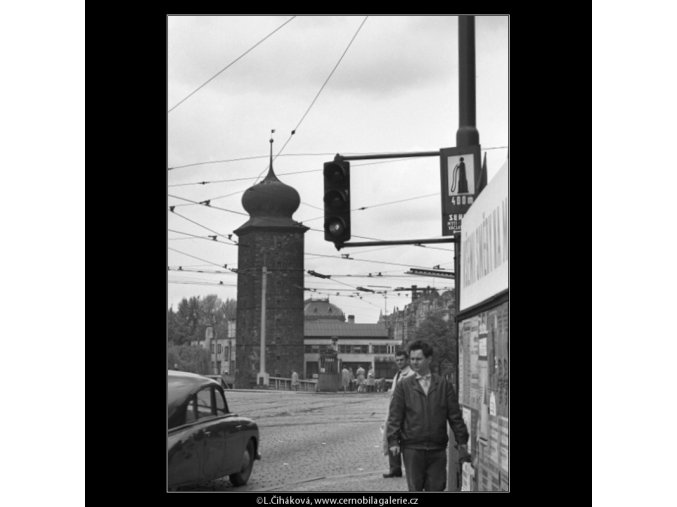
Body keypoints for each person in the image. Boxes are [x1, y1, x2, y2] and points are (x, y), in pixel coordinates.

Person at [386, 340, 469, 491]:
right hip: (412, 447)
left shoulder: (443, 385)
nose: (414, 363)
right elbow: (395, 416)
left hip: (437, 448)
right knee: (415, 488)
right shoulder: (403, 386)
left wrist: (462, 439)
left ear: (429, 359)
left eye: (418, 359)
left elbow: (454, 416)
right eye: (412, 359)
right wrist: (393, 441)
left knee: (437, 487)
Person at [382, 349, 414, 478]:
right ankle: (395, 468)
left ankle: (410, 468)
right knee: (391, 437)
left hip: (405, 412)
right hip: (394, 411)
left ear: (407, 360)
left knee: (405, 440)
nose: (399, 362)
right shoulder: (398, 375)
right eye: (397, 360)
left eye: (401, 360)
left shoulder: (411, 374)